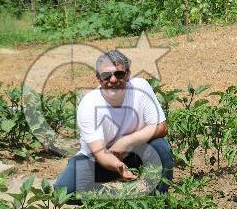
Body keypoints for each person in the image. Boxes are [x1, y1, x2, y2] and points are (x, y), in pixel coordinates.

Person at [54, 49, 174, 194]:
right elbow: (99, 152)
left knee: (160, 147)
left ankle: (159, 200)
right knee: (63, 190)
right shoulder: (89, 104)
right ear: (98, 78)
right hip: (98, 162)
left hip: (135, 154)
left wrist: (126, 141)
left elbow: (161, 127)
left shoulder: (140, 88)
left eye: (119, 74)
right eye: (106, 76)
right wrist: (119, 166)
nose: (113, 80)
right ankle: (106, 194)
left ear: (128, 74)